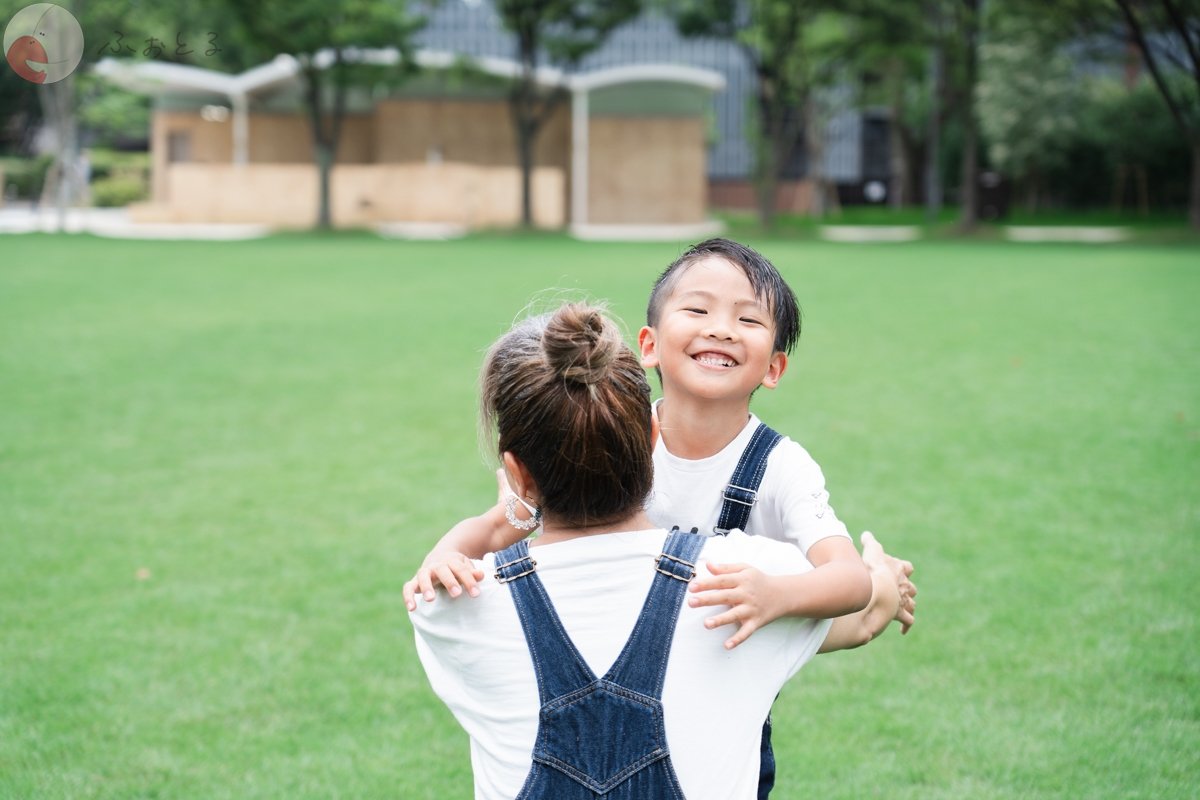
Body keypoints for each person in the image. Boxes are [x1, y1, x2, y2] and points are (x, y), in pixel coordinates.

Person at [405, 239, 917, 796]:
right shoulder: (607, 430)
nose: (720, 329)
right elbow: (496, 524)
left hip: (727, 625)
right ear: (648, 348)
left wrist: (778, 596)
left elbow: (846, 585)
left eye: (747, 319)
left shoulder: (779, 469)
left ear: (775, 368)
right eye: (697, 310)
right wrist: (442, 560)